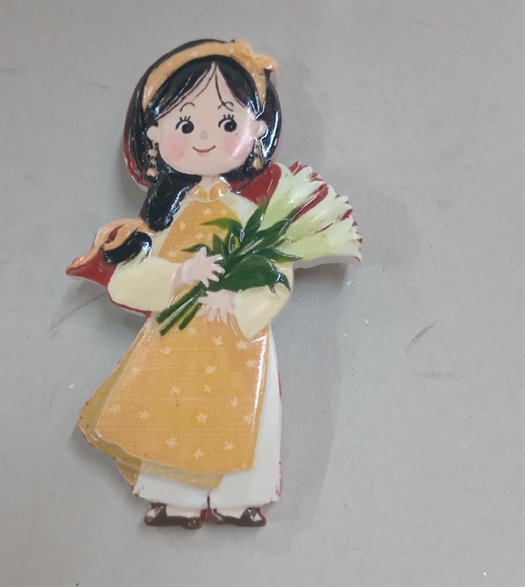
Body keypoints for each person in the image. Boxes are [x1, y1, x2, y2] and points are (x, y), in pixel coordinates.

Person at [67, 39, 361, 529]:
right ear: (154, 132)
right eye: (185, 125)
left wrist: (236, 301)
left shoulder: (251, 216)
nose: (204, 137)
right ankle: (174, 498)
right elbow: (127, 282)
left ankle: (238, 498)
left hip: (237, 341)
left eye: (227, 123)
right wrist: (180, 274)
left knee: (238, 414)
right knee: (171, 413)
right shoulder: (160, 222)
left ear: (257, 130)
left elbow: (276, 274)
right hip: (175, 340)